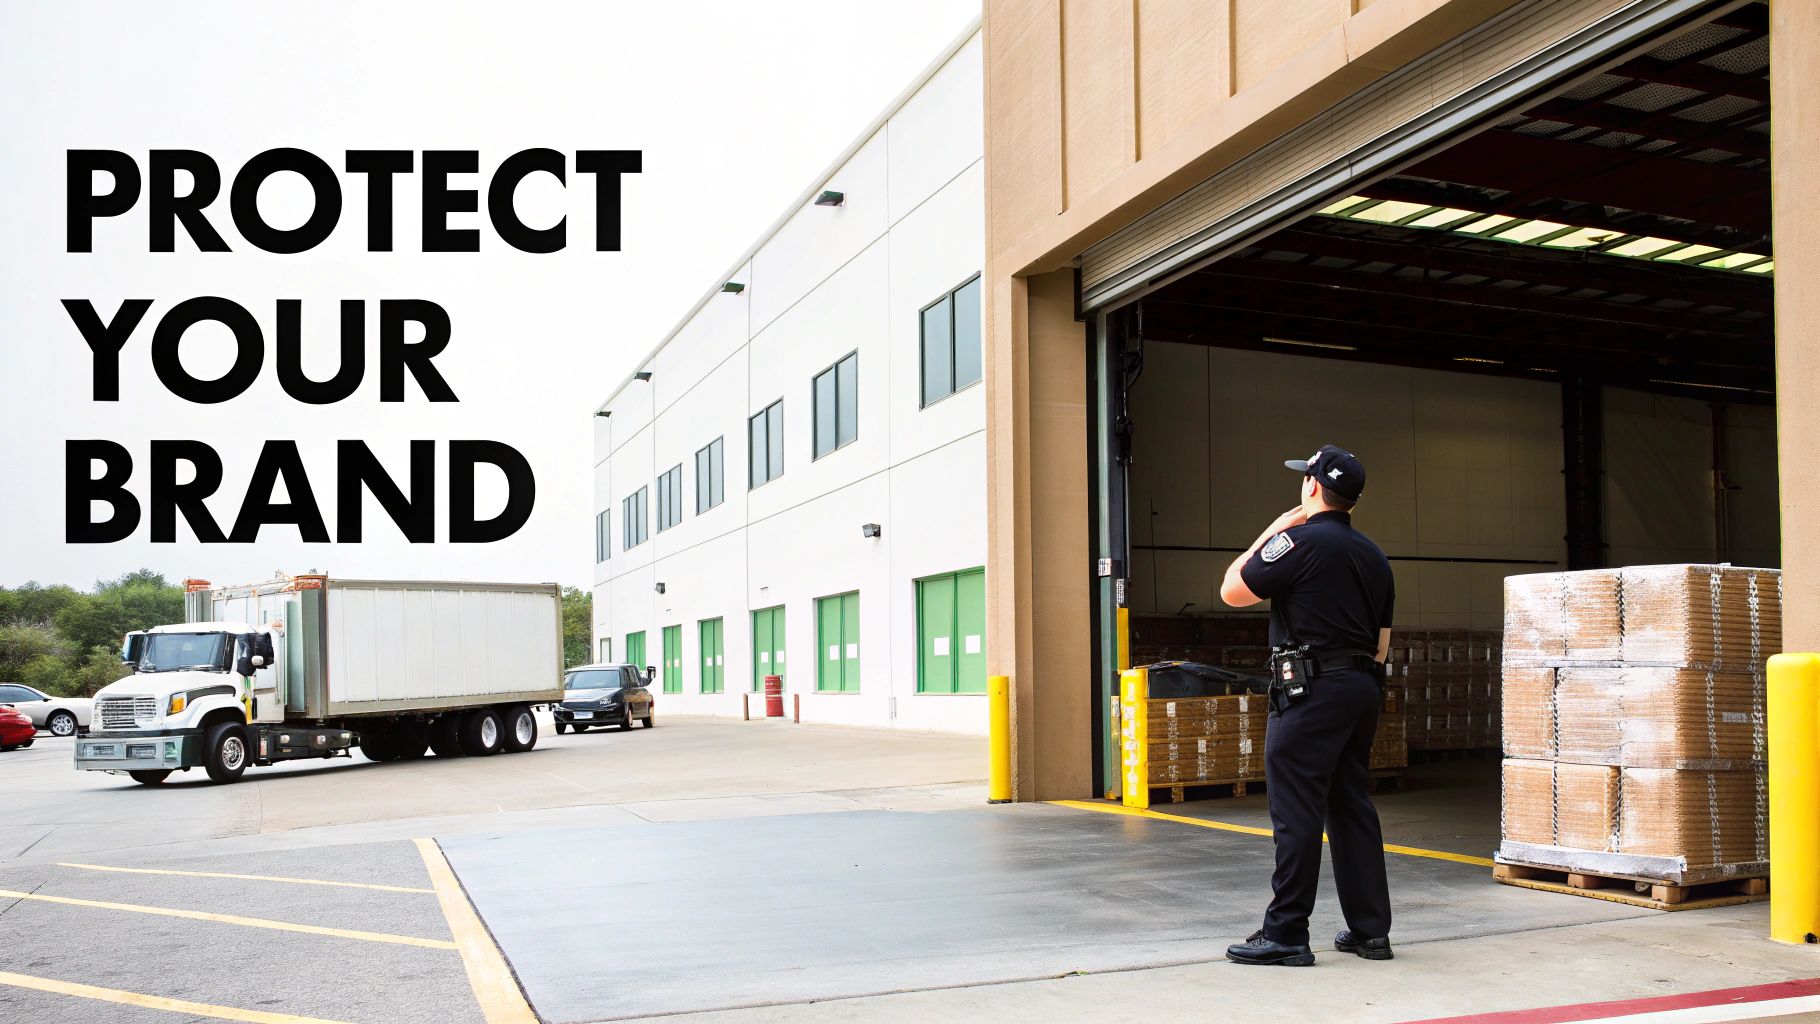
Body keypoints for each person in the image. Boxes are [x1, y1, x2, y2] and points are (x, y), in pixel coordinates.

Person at [1217, 444, 1395, 967]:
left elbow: (1232, 590)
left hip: (1310, 692)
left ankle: (1287, 932)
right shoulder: (1375, 557)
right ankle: (1370, 932)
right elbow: (1381, 644)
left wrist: (1271, 531)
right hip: (1361, 688)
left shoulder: (1296, 541)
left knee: (1296, 811)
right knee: (1352, 806)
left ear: (1312, 487)